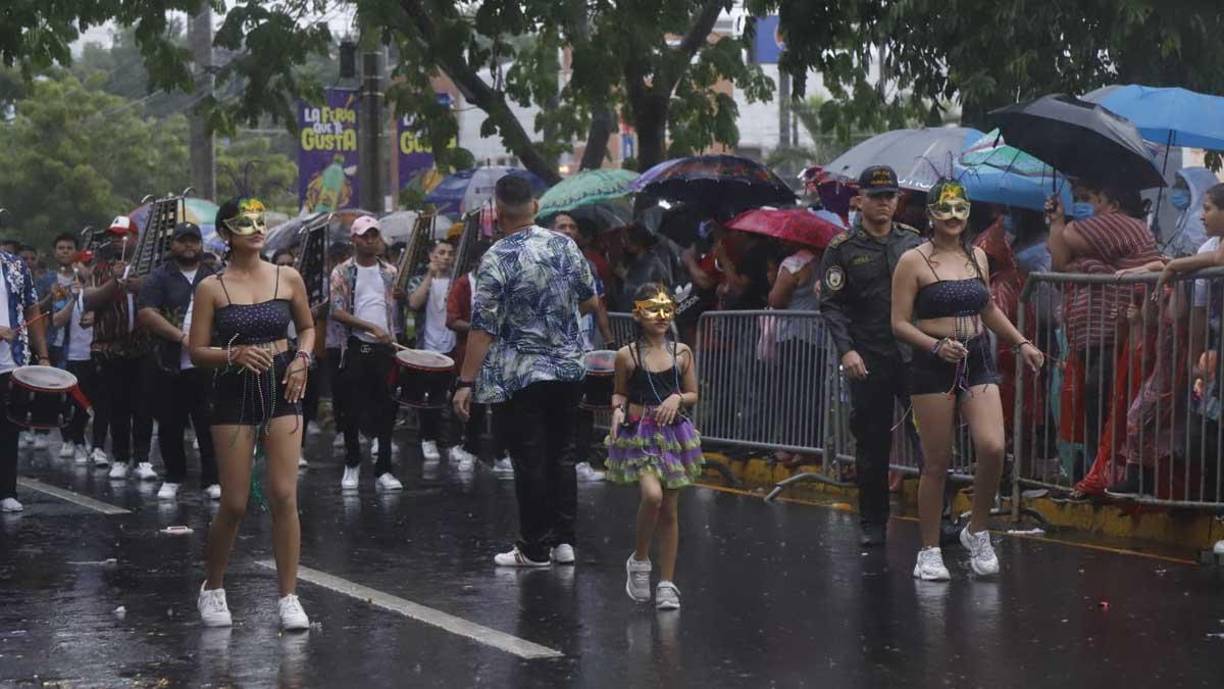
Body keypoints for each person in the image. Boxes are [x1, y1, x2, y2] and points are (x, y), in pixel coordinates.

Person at [891, 179, 1045, 581]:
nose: (954, 216)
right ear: (931, 215)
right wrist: (934, 346)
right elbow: (899, 323)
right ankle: (928, 550)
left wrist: (1022, 342)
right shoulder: (912, 261)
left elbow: (988, 308)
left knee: (993, 447)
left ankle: (976, 530)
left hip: (976, 357)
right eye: (945, 209)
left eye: (960, 208)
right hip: (932, 365)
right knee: (937, 462)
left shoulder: (977, 256)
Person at [452, 175, 599, 567]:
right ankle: (564, 542)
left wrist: (465, 381)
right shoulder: (564, 245)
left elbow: (482, 329)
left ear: (498, 213)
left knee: (530, 459)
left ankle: (534, 548)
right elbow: (589, 301)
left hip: (521, 374)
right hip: (568, 369)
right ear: (535, 206)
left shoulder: (496, 258)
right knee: (562, 455)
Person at [190, 196, 315, 630]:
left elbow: (307, 327)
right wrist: (234, 354)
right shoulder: (211, 287)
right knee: (234, 502)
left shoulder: (288, 276)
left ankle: (289, 596)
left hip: (283, 384)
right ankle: (213, 587)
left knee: (284, 495)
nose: (258, 229)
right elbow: (196, 350)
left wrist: (302, 359)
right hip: (233, 390)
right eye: (245, 223)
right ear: (226, 233)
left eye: (261, 221)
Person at [818, 165, 925, 547]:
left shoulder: (913, 242)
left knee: (928, 440)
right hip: (868, 357)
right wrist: (846, 350)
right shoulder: (842, 248)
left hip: (913, 357)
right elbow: (831, 304)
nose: (883, 203)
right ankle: (873, 522)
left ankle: (940, 518)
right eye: (876, 196)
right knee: (872, 443)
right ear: (859, 200)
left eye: (890, 196)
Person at [607, 284, 702, 610]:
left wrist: (677, 398)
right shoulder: (627, 355)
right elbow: (619, 393)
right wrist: (617, 410)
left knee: (670, 510)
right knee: (652, 496)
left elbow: (693, 394)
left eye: (667, 308)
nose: (661, 316)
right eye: (652, 309)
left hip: (674, 435)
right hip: (641, 435)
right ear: (637, 314)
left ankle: (667, 583)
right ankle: (640, 560)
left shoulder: (682, 352)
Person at [137, 222, 220, 501]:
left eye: (193, 240)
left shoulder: (214, 276)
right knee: (170, 423)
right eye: (183, 240)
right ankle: (173, 476)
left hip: (207, 364)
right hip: (169, 362)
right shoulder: (160, 276)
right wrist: (181, 337)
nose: (188, 246)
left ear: (201, 245)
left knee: (208, 424)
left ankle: (212, 479)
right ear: (173, 245)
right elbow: (146, 313)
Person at [330, 216, 404, 492]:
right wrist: (370, 327)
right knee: (351, 409)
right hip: (355, 347)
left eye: (374, 235)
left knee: (386, 409)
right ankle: (352, 463)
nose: (370, 240)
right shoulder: (342, 272)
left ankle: (384, 469)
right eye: (364, 235)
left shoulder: (390, 272)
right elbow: (337, 311)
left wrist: (391, 335)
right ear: (354, 239)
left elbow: (394, 308)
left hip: (385, 348)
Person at [82, 216, 155, 480]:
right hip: (111, 347)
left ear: (136, 238)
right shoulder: (100, 269)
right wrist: (114, 281)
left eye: (123, 236)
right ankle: (121, 457)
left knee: (143, 406)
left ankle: (143, 458)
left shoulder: (150, 267)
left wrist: (141, 285)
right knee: (117, 406)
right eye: (113, 236)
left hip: (144, 347)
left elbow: (162, 296)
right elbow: (89, 300)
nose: (117, 241)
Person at [551, 212, 611, 482]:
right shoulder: (543, 263)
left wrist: (609, 340)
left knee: (584, 408)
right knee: (555, 409)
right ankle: (554, 461)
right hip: (552, 351)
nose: (568, 230)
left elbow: (598, 305)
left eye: (572, 226)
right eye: (562, 226)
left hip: (583, 351)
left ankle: (581, 461)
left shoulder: (589, 266)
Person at [445, 241, 508, 474]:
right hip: (472, 354)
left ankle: (501, 454)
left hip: (500, 355)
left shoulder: (503, 283)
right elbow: (452, 319)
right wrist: (480, 329)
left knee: (501, 407)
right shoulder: (464, 284)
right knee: (475, 406)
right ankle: (470, 450)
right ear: (476, 262)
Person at [0, 242, 51, 512]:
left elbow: (32, 309)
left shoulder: (15, 265)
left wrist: (43, 355)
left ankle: (7, 491)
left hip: (12, 361)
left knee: (8, 429)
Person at [406, 239, 457, 463]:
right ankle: (428, 438)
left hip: (452, 346)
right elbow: (414, 303)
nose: (446, 257)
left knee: (451, 395)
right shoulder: (418, 279)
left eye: (450, 253)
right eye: (441, 252)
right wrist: (430, 275)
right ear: (431, 255)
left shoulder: (457, 281)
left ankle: (451, 441)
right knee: (428, 396)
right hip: (427, 346)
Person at [54, 258, 95, 465]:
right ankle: (68, 439)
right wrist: (73, 299)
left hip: (93, 355)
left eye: (86, 266)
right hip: (69, 357)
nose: (81, 270)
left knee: (86, 402)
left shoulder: (98, 294)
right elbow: (57, 320)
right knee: (68, 401)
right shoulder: (66, 293)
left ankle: (79, 438)